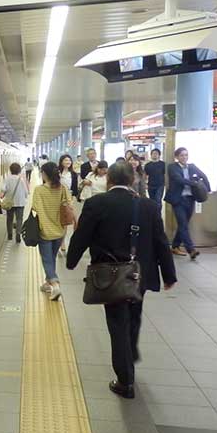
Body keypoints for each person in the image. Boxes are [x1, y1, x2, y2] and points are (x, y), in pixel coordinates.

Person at [66, 162, 176, 399]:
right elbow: (161, 242)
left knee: (117, 323)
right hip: (139, 274)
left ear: (109, 181)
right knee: (133, 316)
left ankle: (125, 381)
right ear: (133, 180)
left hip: (111, 276)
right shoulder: (148, 206)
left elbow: (82, 235)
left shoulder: (97, 203)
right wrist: (169, 275)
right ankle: (130, 352)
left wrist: (71, 261)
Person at [31, 162, 71, 301]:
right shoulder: (63, 188)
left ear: (45, 174)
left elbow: (36, 208)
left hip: (45, 230)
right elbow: (68, 205)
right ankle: (48, 283)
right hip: (60, 230)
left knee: (47, 260)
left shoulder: (39, 190)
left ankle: (55, 284)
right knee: (51, 258)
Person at [164, 147, 210, 260]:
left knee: (183, 225)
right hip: (178, 200)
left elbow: (203, 176)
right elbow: (179, 179)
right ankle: (191, 249)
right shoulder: (172, 167)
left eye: (186, 155)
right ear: (177, 157)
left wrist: (206, 188)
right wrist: (195, 184)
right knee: (183, 224)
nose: (184, 157)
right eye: (181, 155)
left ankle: (175, 246)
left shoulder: (192, 166)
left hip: (190, 199)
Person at [0, 162, 29, 243]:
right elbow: (26, 192)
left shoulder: (7, 179)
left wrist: (2, 196)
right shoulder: (21, 180)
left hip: (10, 203)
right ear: (19, 170)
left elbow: (3, 190)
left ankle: (10, 235)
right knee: (19, 219)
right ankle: (18, 234)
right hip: (20, 202)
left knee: (9, 219)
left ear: (10, 170)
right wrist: (24, 197)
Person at [57, 154, 79, 253]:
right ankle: (56, 239)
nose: (68, 162)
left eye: (69, 160)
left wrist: (72, 200)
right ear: (61, 162)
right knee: (57, 221)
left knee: (65, 222)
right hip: (57, 198)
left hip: (68, 199)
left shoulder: (73, 174)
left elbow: (75, 189)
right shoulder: (57, 173)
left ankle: (62, 242)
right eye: (66, 160)